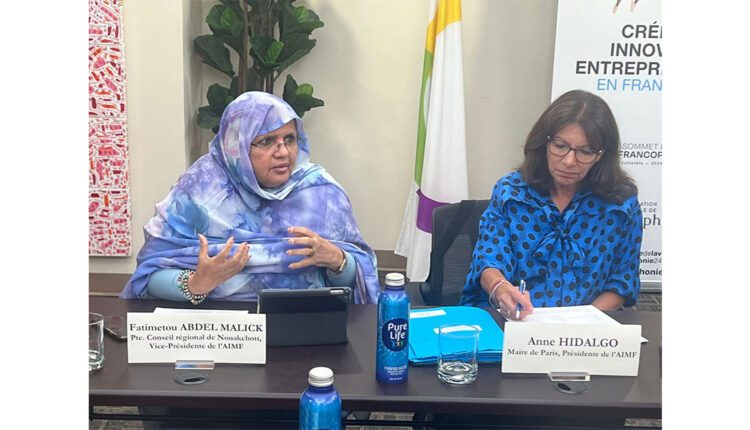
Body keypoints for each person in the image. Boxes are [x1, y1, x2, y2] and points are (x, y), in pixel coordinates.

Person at [120, 91, 379, 304]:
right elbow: (149, 276)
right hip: (217, 330)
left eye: (290, 139)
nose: (283, 152)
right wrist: (197, 283)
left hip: (305, 324)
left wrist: (338, 261)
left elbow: (356, 280)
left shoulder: (321, 192)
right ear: (237, 147)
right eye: (267, 141)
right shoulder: (200, 189)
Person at [459, 89, 643, 319]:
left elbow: (622, 280)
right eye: (560, 146)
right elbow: (488, 259)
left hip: (590, 326)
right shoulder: (511, 193)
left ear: (601, 155)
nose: (569, 161)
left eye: (585, 151)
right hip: (516, 322)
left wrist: (578, 325)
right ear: (544, 143)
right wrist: (501, 288)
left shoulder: (620, 203)